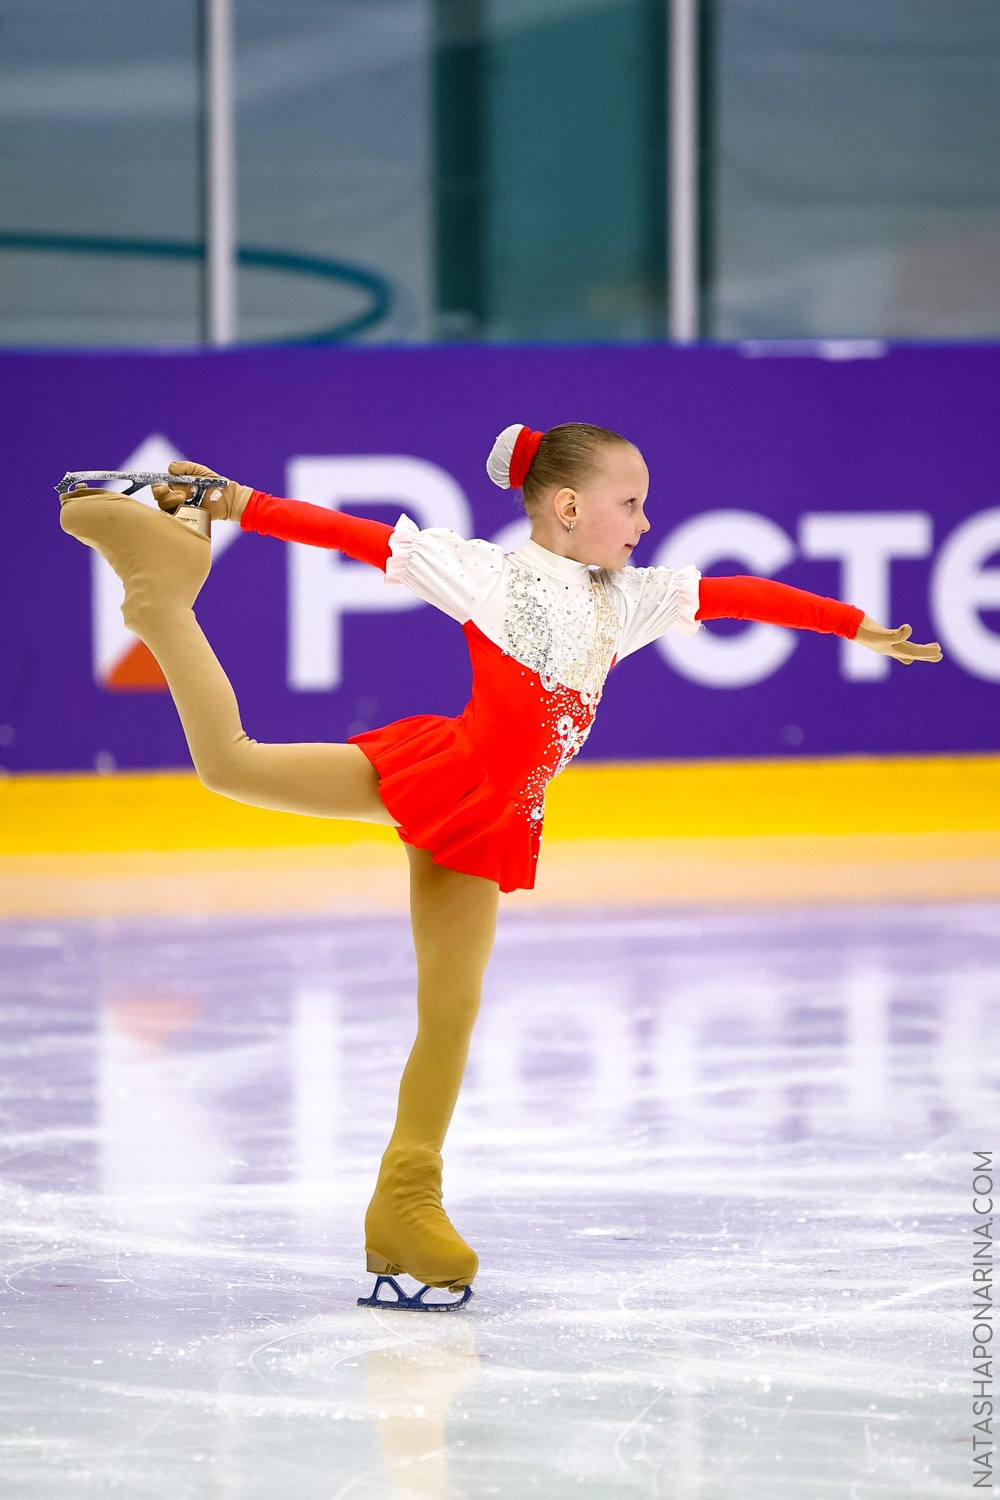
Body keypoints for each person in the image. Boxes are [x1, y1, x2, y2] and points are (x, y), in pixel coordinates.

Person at [58, 421, 942, 1310]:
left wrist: (852, 626)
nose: (644, 522)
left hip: (491, 821)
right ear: (566, 506)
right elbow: (342, 533)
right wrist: (231, 501)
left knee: (450, 1013)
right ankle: (159, 600)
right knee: (232, 764)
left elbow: (738, 595)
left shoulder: (624, 599)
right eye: (629, 503)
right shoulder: (489, 575)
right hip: (448, 777)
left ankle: (405, 1206)